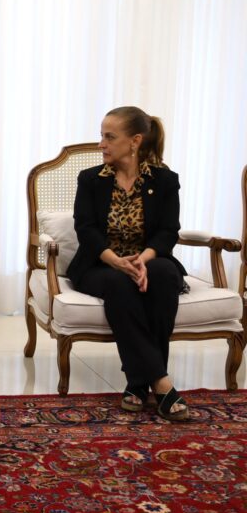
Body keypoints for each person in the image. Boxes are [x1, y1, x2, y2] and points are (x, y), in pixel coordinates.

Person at [67, 106, 189, 421]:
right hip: (100, 264)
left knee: (163, 276)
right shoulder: (91, 179)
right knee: (119, 283)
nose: (101, 144)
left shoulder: (164, 180)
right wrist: (117, 262)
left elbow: (168, 231)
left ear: (134, 141)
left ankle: (137, 382)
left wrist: (144, 259)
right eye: (101, 136)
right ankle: (160, 383)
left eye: (109, 137)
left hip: (150, 261)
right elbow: (87, 230)